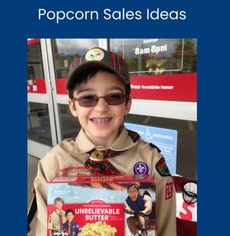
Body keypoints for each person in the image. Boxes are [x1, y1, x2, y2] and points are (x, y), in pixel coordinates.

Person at [33, 47, 177, 236]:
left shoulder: (151, 161)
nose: (101, 108)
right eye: (87, 98)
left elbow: (166, 229)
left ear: (127, 103)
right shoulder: (53, 163)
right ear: (73, 106)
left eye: (114, 96)